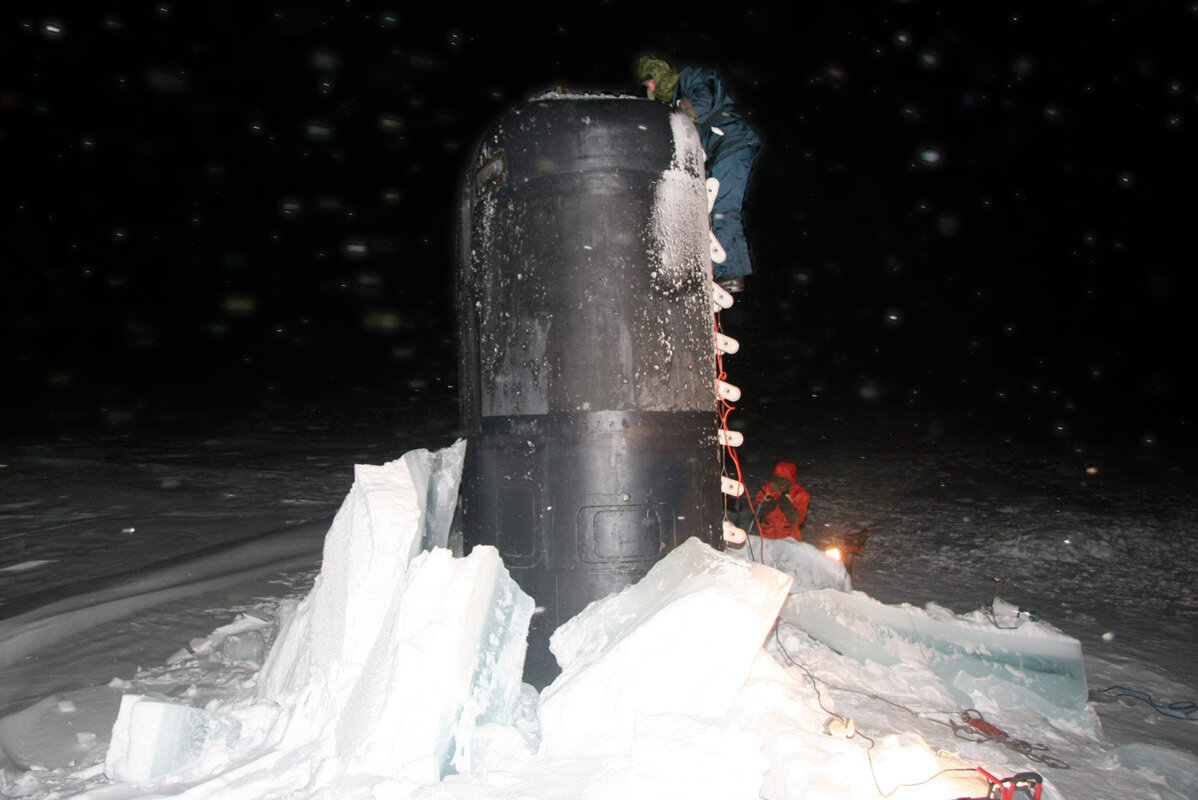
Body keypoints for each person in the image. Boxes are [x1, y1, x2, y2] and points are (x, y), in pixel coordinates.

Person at [637, 55, 761, 292]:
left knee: (724, 207)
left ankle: (730, 272)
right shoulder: (670, 103)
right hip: (718, 151)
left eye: (652, 80)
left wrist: (683, 109)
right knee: (704, 208)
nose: (651, 86)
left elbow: (704, 99)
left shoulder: (690, 75)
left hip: (731, 144)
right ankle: (707, 267)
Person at [754, 461, 810, 541]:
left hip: (789, 538)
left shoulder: (800, 493)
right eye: (777, 481)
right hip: (766, 535)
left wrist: (789, 509)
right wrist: (763, 506)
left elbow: (799, 520)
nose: (778, 485)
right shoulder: (767, 488)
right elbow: (755, 511)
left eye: (782, 482)